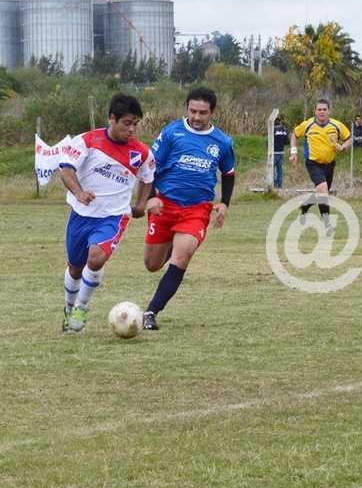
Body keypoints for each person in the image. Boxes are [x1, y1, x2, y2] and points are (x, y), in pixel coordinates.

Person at [141, 87, 236, 331]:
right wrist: (150, 198)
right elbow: (149, 167)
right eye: (192, 111)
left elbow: (228, 173)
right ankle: (170, 244)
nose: (196, 117)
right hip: (164, 205)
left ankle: (151, 312)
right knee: (152, 264)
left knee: (182, 257)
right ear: (186, 108)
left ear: (212, 112)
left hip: (197, 209)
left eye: (202, 113)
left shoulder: (222, 142)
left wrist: (224, 202)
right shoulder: (172, 132)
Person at [59, 93, 154, 333]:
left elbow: (148, 178)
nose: (131, 129)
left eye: (135, 124)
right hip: (81, 215)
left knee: (96, 257)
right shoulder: (87, 141)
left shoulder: (142, 152)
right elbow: (66, 171)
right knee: (75, 267)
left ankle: (82, 306)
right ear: (112, 118)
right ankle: (69, 308)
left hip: (114, 216)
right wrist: (79, 193)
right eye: (127, 123)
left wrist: (141, 204)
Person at [289, 98, 351, 233]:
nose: (322, 112)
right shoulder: (308, 124)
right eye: (319, 109)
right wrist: (293, 152)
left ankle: (305, 205)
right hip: (313, 163)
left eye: (324, 109)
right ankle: (327, 224)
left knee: (322, 193)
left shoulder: (336, 125)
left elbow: (349, 138)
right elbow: (294, 135)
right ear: (315, 111)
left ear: (329, 111)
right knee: (323, 191)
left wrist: (343, 147)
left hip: (329, 164)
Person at [270, 116, 289, 188]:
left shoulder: (272, 129)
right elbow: (287, 142)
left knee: (271, 169)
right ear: (280, 122)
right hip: (281, 152)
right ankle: (279, 184)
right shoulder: (284, 129)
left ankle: (273, 184)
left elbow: (269, 141)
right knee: (279, 169)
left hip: (273, 152)